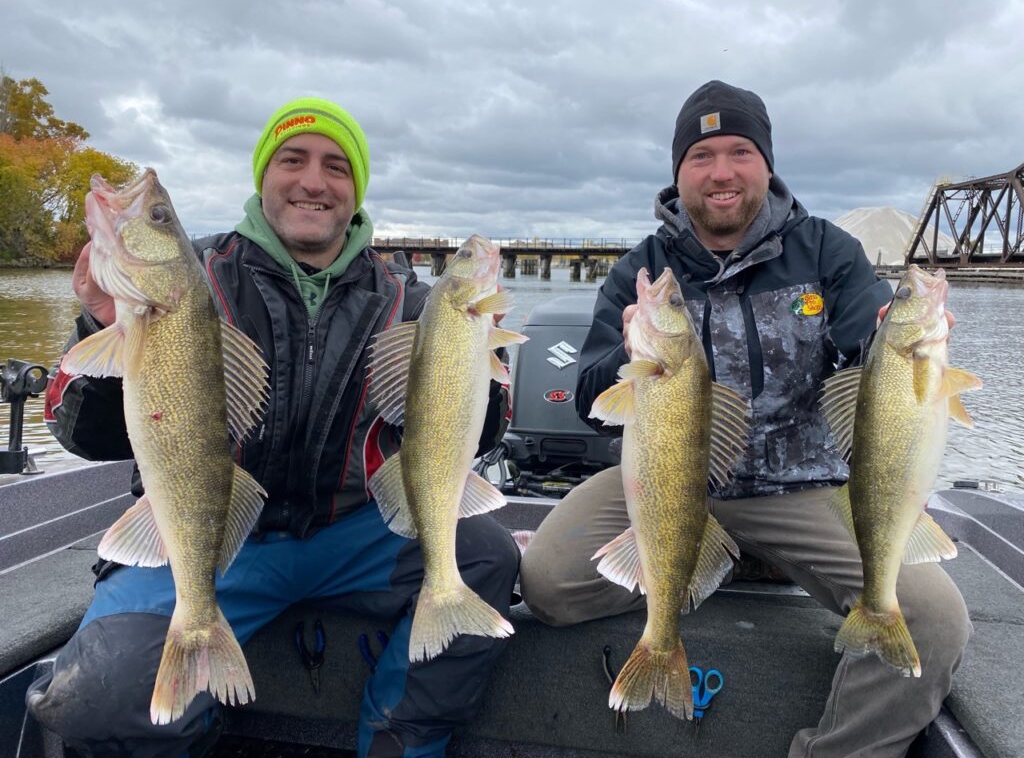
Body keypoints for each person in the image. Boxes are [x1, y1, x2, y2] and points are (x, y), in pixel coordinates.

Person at [26, 96, 519, 758]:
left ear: (356, 190)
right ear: (264, 177)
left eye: (336, 167)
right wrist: (98, 322)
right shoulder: (192, 277)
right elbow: (83, 435)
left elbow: (473, 440)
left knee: (486, 553)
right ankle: (196, 722)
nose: (314, 181)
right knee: (99, 697)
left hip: (352, 532)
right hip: (211, 531)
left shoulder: (412, 299)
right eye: (293, 160)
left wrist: (482, 367)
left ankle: (400, 741)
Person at [518, 80, 971, 758]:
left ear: (766, 163)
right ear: (679, 172)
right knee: (547, 584)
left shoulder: (827, 251)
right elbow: (588, 394)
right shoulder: (645, 268)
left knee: (932, 620)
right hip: (667, 481)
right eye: (701, 156)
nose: (722, 172)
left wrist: (903, 343)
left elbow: (865, 347)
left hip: (804, 486)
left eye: (740, 152)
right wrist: (627, 353)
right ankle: (714, 563)